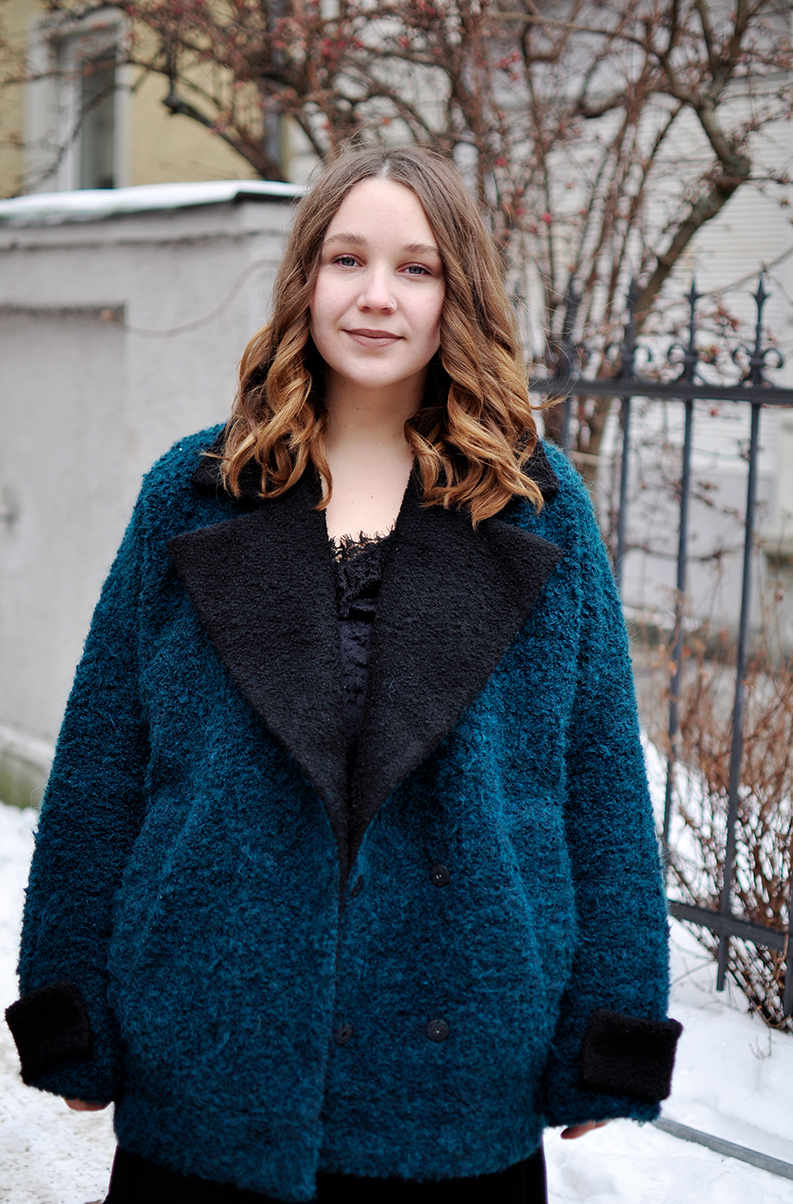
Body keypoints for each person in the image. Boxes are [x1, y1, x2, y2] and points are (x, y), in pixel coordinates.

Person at [5, 146, 681, 1204]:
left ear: (457, 295)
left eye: (416, 268)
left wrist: (612, 1027)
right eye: (346, 259)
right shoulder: (193, 492)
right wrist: (68, 1004)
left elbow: (598, 782)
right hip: (208, 1050)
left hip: (459, 1063)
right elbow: (103, 762)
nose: (376, 296)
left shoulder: (537, 507)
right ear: (305, 280)